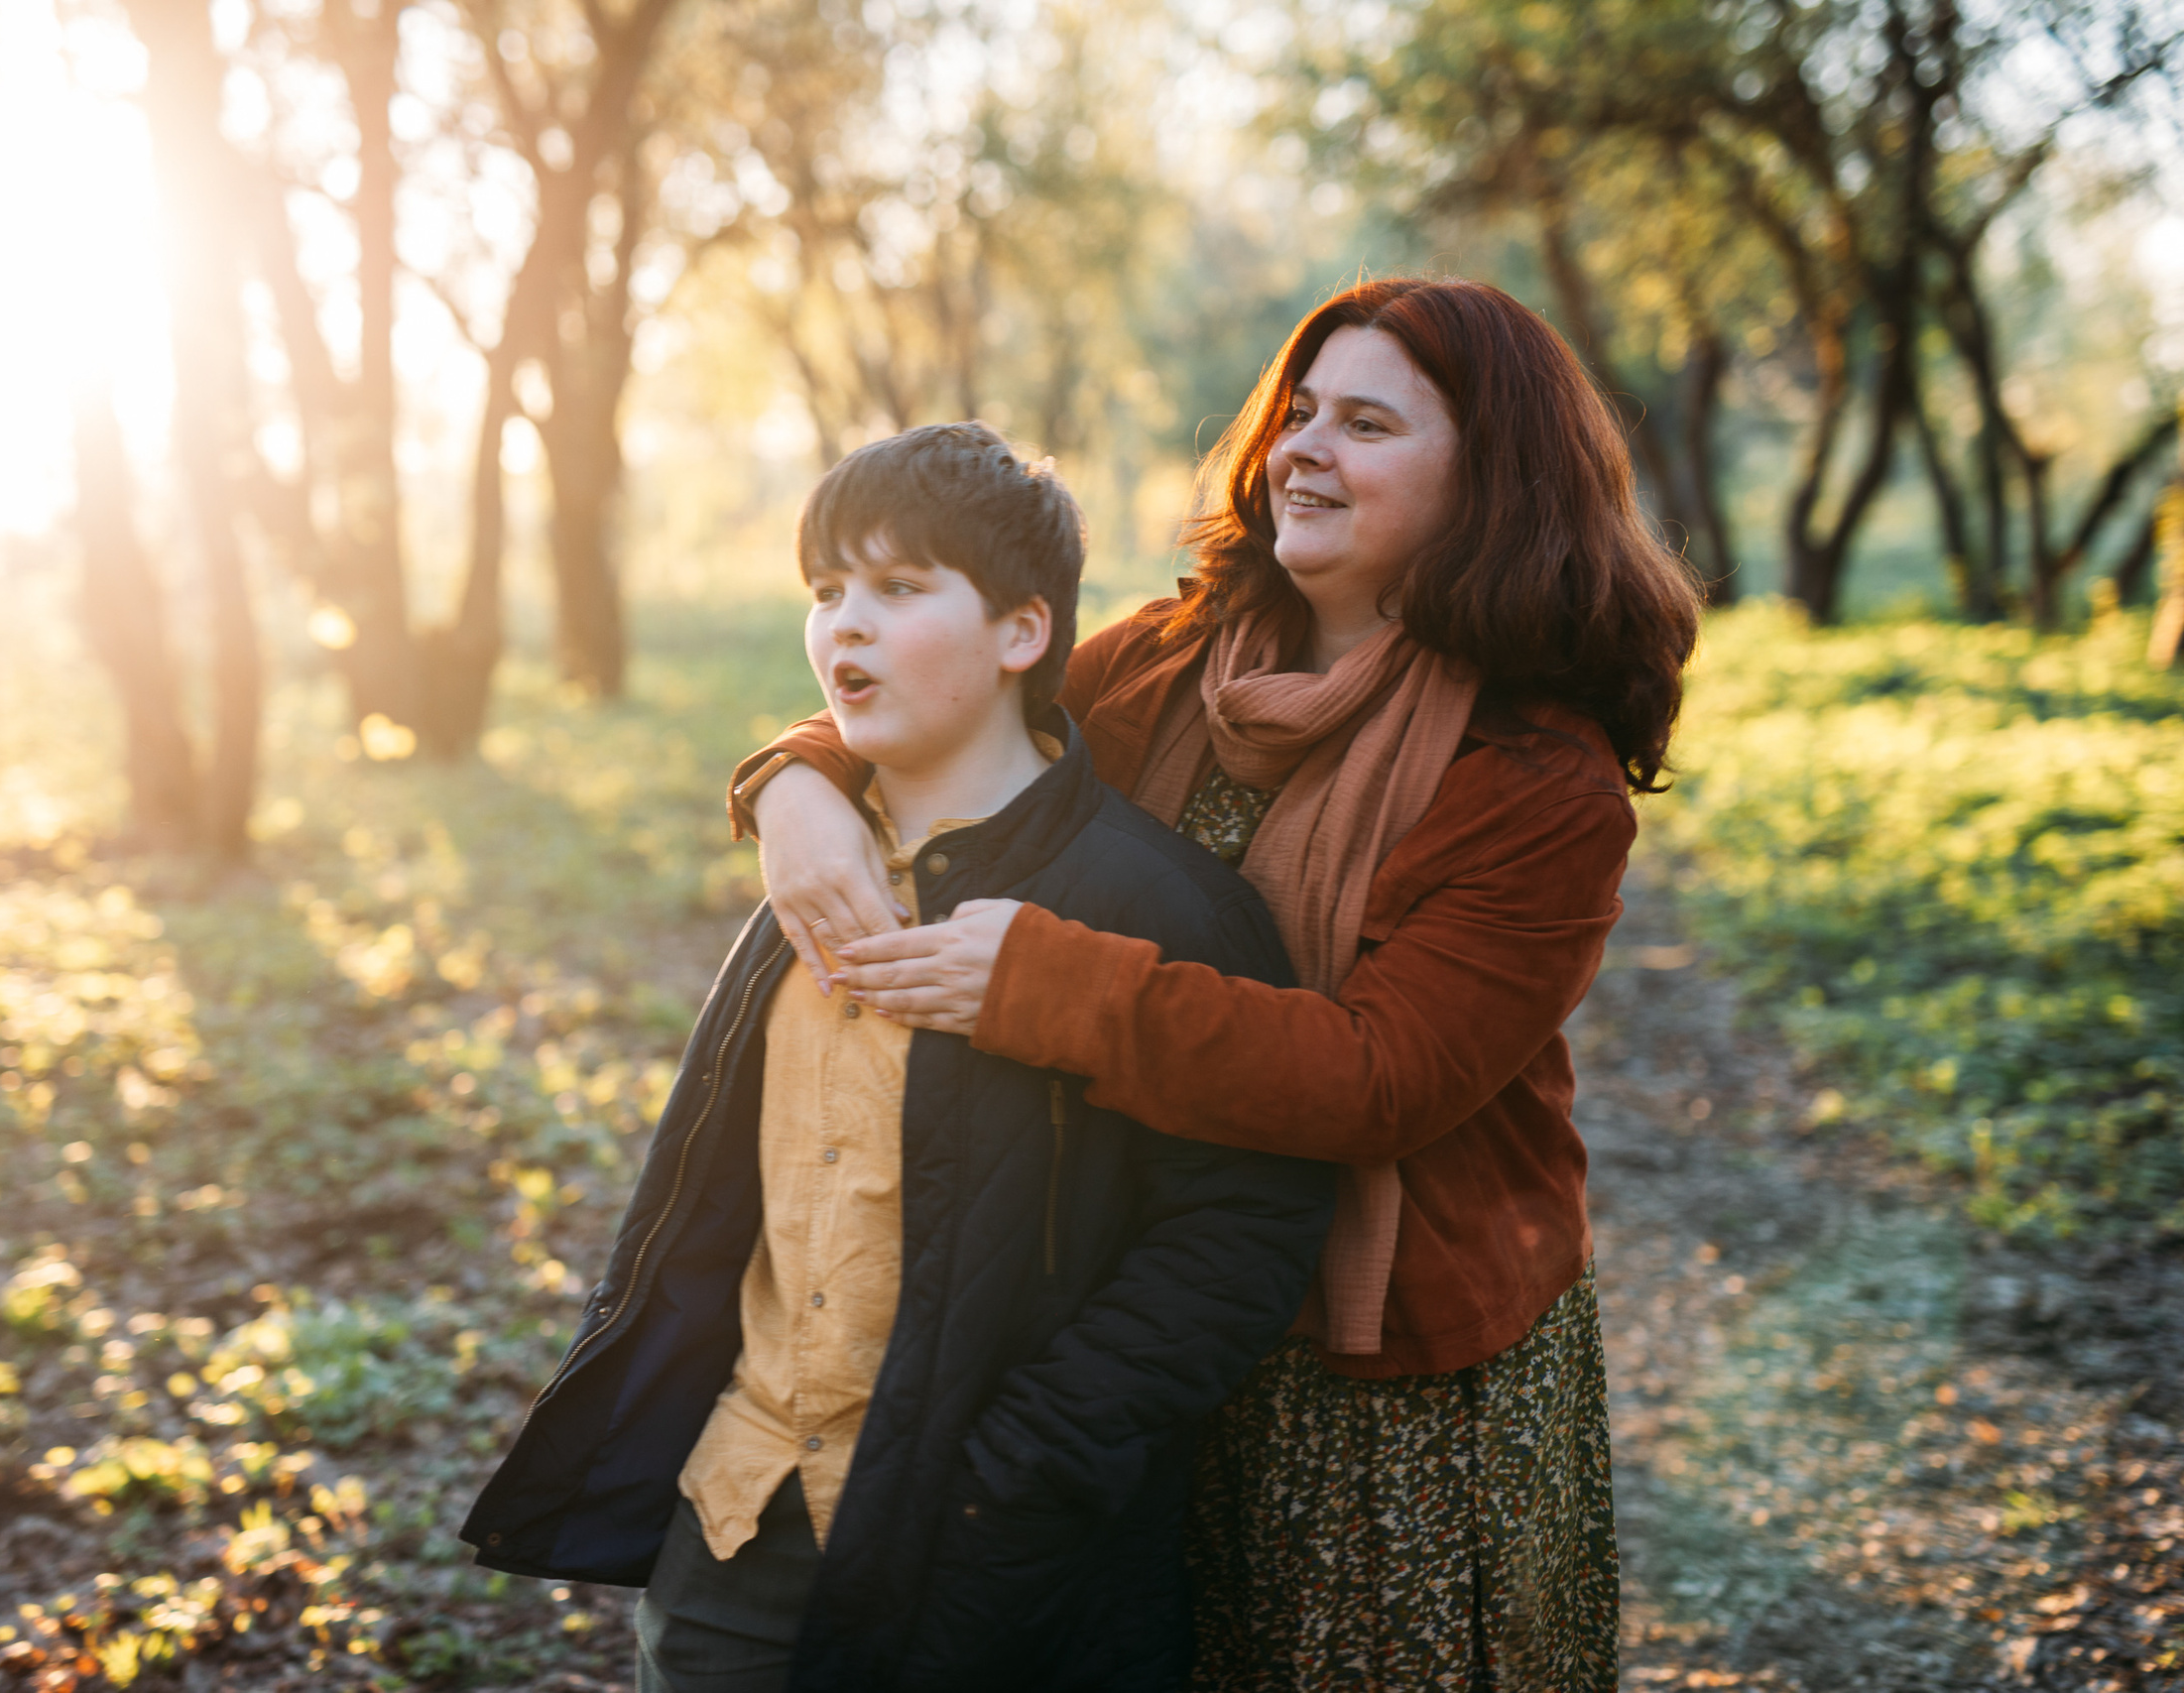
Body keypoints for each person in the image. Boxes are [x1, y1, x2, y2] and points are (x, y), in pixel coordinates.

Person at [731, 278, 1705, 1690]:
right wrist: (796, 784)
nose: (1304, 448)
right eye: (1298, 412)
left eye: (1366, 422)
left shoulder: (1535, 773)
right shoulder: (1173, 661)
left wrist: (1049, 983)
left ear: (1494, 481)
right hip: (1145, 1285)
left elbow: (1382, 1077)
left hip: (1387, 1362)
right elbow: (937, 694)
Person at [459, 423, 1335, 1693]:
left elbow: (1242, 1225)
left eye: (899, 588)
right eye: (826, 592)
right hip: (736, 1527)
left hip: (989, 1559)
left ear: (1022, 633)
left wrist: (1022, 1469)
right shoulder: (806, 874)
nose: (843, 629)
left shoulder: (1156, 905)